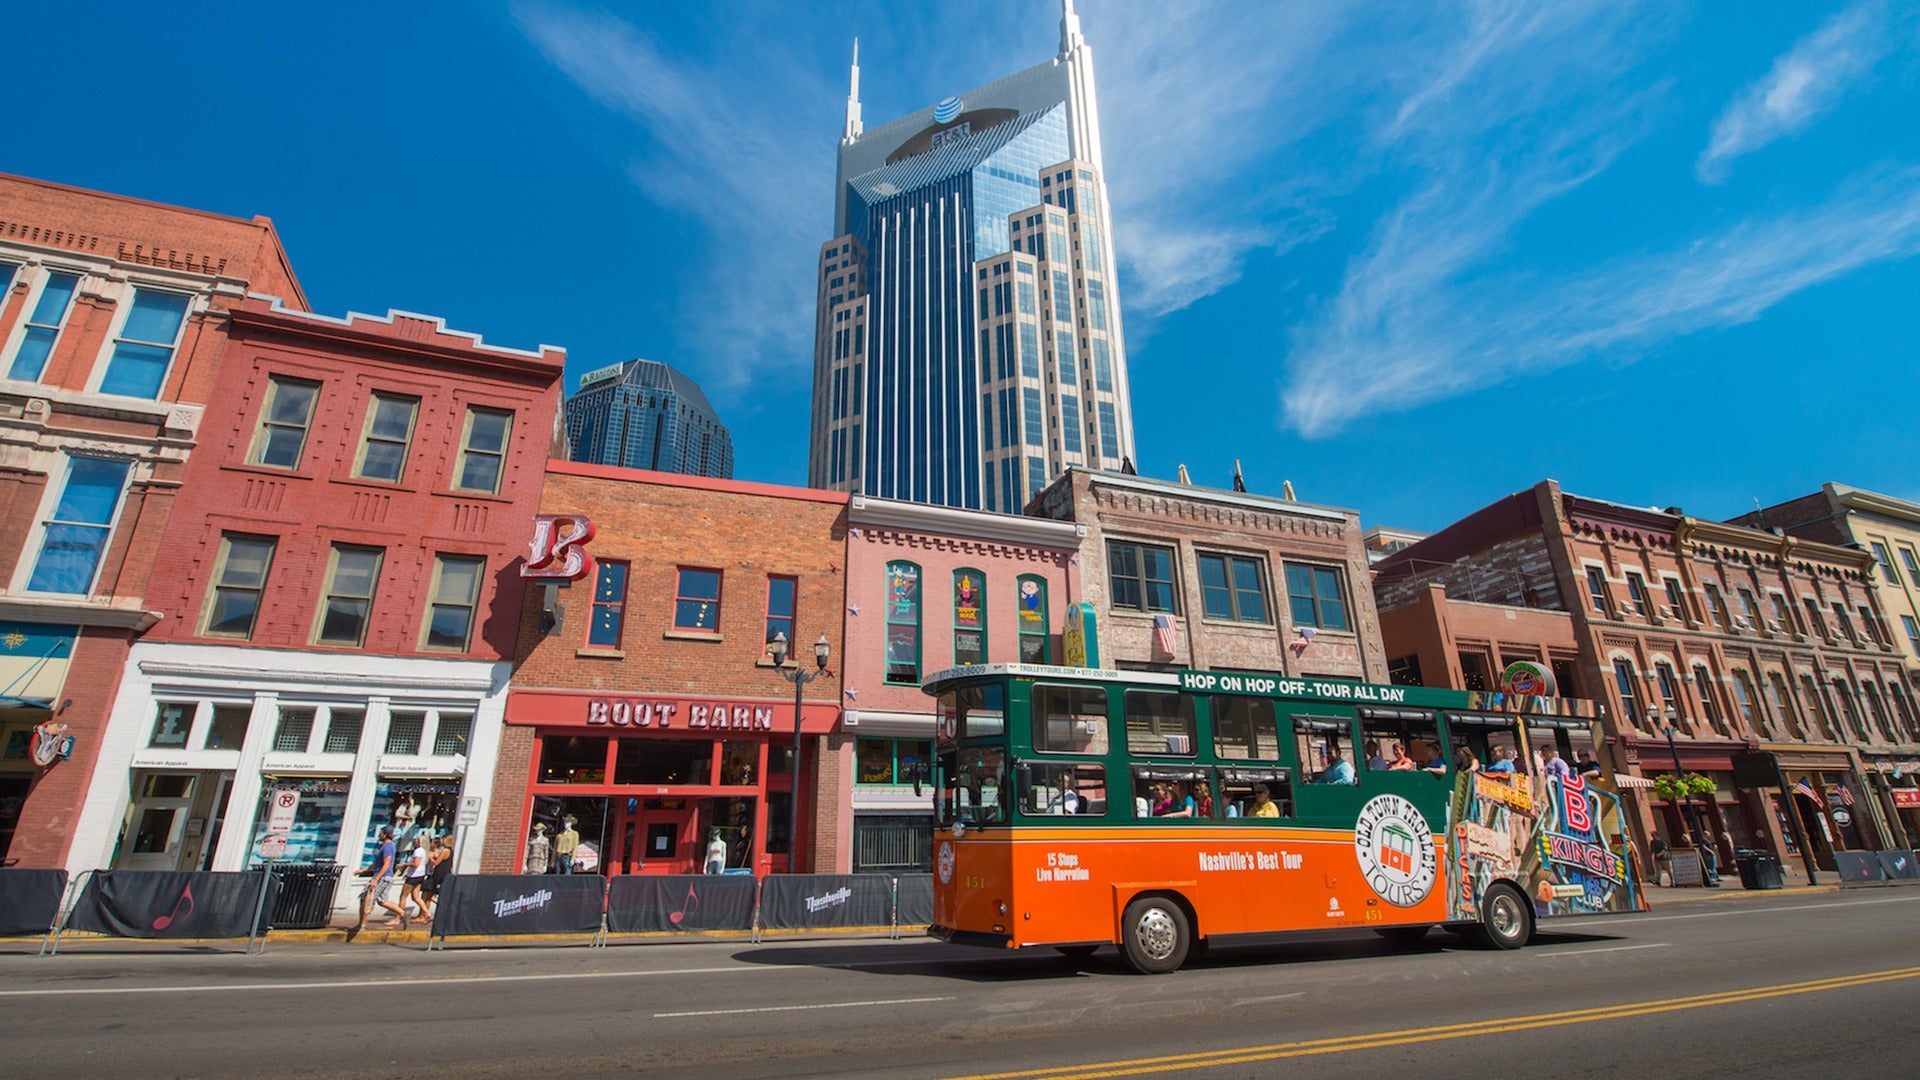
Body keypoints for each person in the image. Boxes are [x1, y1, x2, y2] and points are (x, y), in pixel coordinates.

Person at [350, 825, 406, 939]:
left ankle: (362, 924)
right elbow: (378, 863)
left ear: (385, 834)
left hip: (383, 877)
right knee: (382, 901)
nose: (379, 835)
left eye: (381, 833)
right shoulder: (385, 846)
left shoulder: (388, 847)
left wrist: (375, 880)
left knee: (367, 898)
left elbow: (386, 864)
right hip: (384, 876)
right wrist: (363, 870)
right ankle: (402, 913)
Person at [420, 835, 452, 920]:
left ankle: (425, 915)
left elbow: (436, 863)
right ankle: (424, 914)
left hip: (440, 875)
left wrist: (430, 857)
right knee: (429, 895)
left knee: (430, 895)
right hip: (441, 874)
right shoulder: (448, 851)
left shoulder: (445, 850)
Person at [400, 833, 430, 922]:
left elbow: (416, 864)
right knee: (415, 896)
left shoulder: (418, 851)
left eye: (417, 840)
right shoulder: (424, 851)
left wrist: (405, 865)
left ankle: (399, 916)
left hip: (413, 876)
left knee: (403, 896)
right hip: (420, 875)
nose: (414, 841)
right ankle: (426, 912)